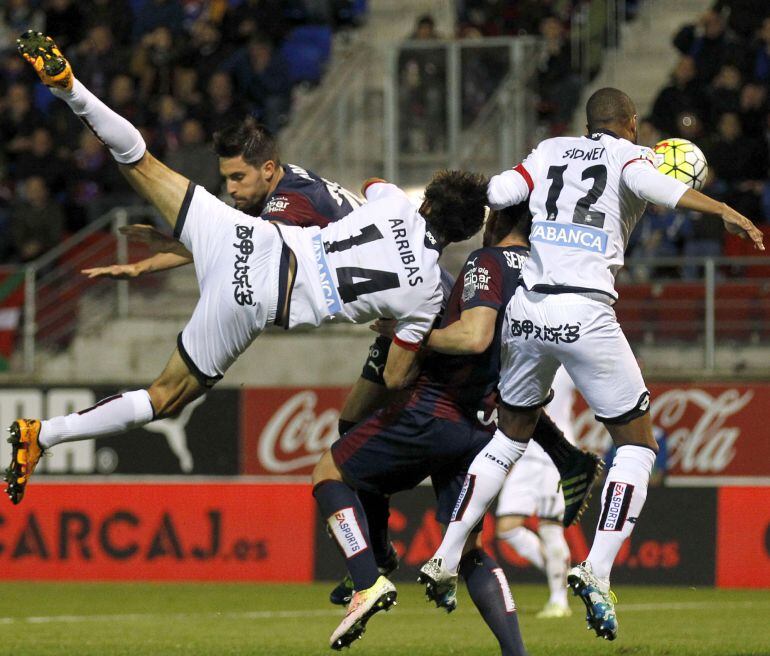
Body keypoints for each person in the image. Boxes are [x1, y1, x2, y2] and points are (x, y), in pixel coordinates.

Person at [4, 31, 488, 507]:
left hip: (241, 236)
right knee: (164, 398)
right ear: (463, 235)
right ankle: (45, 435)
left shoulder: (395, 204)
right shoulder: (425, 291)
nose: (235, 182)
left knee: (141, 160)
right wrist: (402, 327)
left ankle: (72, 89)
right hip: (255, 297)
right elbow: (399, 376)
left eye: (239, 176)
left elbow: (375, 184)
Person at [417, 87, 764, 642]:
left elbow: (500, 190)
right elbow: (664, 191)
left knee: (509, 437)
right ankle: (596, 571)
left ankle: (444, 555)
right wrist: (723, 210)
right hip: (584, 311)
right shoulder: (633, 157)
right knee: (637, 446)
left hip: (528, 310)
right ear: (629, 122)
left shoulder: (549, 148)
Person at [313, 204, 536, 653]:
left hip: (436, 412)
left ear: (494, 222)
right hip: (487, 427)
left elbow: (471, 339)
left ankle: (367, 580)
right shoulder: (541, 274)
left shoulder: (483, 262)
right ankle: (517, 653)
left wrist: (409, 333)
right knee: (470, 547)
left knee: (330, 473)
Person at [495, 366, 577, 620]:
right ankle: (561, 573)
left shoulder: (563, 364)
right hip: (525, 453)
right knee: (507, 528)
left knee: (550, 527)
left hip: (554, 453)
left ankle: (559, 600)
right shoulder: (518, 359)